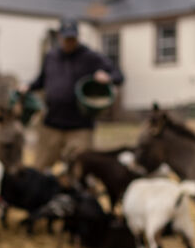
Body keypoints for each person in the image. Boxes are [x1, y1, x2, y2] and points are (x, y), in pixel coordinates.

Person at [23, 19, 124, 171]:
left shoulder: (90, 57)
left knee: (80, 170)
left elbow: (119, 75)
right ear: (59, 38)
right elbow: (41, 80)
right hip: (51, 124)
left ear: (78, 37)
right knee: (39, 169)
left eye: (73, 39)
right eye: (66, 39)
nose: (70, 42)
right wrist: (27, 87)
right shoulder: (51, 57)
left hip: (80, 127)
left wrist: (107, 77)